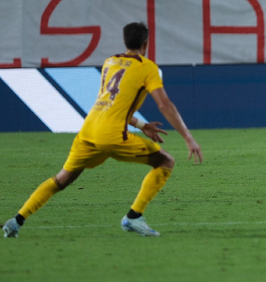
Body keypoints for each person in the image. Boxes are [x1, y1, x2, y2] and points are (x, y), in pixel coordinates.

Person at [3, 22, 203, 238]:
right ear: (146, 44)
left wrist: (141, 125)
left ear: (125, 42)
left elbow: (112, 104)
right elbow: (164, 105)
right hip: (113, 135)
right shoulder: (148, 68)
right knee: (165, 162)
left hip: (89, 130)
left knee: (62, 179)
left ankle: (16, 221)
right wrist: (189, 138)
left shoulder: (110, 62)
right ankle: (134, 217)